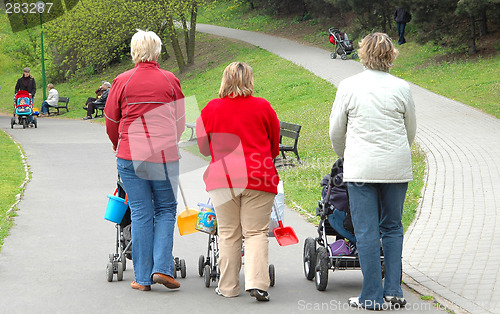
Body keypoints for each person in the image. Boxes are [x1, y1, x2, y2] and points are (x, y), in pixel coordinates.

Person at [329, 32, 416, 310]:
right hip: (396, 167)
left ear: (363, 54)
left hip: (361, 168)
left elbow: (336, 130)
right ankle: (393, 289)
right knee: (392, 227)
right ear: (391, 55)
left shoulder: (349, 86)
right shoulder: (403, 88)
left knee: (366, 231)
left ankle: (371, 296)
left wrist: (345, 154)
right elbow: (410, 130)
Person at [105, 29, 185, 292]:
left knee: (140, 211)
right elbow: (180, 120)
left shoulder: (122, 80)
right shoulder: (170, 79)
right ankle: (162, 267)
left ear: (134, 52)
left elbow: (112, 120)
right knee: (165, 209)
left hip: (130, 154)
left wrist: (119, 144)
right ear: (158, 51)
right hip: (163, 155)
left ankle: (141, 278)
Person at [196, 62, 281, 302]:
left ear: (225, 80)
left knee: (228, 233)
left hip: (223, 178)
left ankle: (229, 286)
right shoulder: (263, 107)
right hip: (259, 176)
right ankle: (257, 283)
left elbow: (203, 147)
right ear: (249, 80)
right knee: (255, 232)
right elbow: (274, 145)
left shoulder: (211, 108)